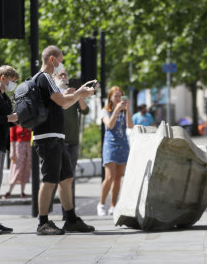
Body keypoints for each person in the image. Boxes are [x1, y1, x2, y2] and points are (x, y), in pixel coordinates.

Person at [32, 45, 96, 235]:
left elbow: (64, 103)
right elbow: (63, 102)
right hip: (48, 136)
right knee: (50, 180)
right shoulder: (45, 78)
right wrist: (80, 94)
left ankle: (70, 219)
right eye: (61, 59)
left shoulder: (45, 80)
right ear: (52, 60)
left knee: (66, 178)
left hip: (56, 137)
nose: (62, 64)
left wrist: (78, 94)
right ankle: (42, 223)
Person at [53, 69, 90, 219]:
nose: (64, 77)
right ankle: (44, 213)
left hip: (72, 141)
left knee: (70, 178)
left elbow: (85, 111)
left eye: (65, 75)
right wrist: (66, 95)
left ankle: (68, 213)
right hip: (58, 140)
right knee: (54, 179)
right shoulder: (55, 94)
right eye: (60, 75)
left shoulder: (73, 95)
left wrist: (78, 95)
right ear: (54, 78)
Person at [98, 86, 133, 216]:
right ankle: (101, 204)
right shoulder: (105, 111)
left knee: (118, 177)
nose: (118, 99)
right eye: (116, 96)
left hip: (123, 145)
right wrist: (117, 110)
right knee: (109, 177)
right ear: (110, 98)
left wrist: (127, 110)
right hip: (110, 146)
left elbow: (130, 126)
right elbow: (110, 125)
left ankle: (113, 205)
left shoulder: (124, 111)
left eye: (120, 96)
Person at [0, 65, 19, 234]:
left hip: (2, 145)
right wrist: (7, 118)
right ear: (3, 78)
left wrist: (16, 119)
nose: (13, 85)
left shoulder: (5, 98)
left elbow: (9, 121)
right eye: (12, 81)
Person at [3, 124, 32, 199]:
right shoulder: (15, 123)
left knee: (26, 169)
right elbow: (12, 138)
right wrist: (12, 151)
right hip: (18, 147)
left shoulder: (29, 122)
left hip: (28, 147)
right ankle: (9, 191)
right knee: (16, 169)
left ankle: (22, 192)